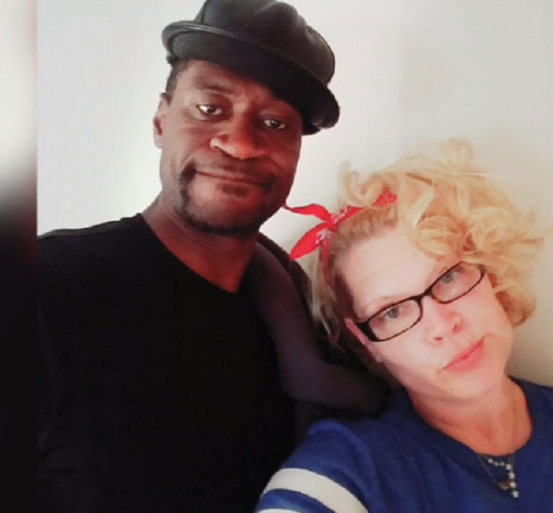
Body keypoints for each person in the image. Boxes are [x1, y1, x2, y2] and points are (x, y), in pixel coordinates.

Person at [37, 1, 385, 512]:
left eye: (274, 122)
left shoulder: (302, 319)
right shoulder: (44, 288)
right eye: (209, 109)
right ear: (161, 121)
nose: (240, 144)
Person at [256, 139, 553, 512]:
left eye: (449, 277)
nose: (443, 325)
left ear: (489, 272)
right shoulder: (357, 464)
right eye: (393, 312)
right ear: (365, 341)